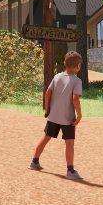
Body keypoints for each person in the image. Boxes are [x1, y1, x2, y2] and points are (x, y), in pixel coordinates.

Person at [30, 49, 85, 179]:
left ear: (65, 63)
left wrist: (47, 109)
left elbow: (48, 93)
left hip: (53, 116)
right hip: (68, 119)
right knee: (69, 143)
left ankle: (34, 161)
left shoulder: (57, 77)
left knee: (45, 138)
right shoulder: (77, 81)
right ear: (79, 66)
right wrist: (79, 115)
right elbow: (75, 99)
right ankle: (70, 171)